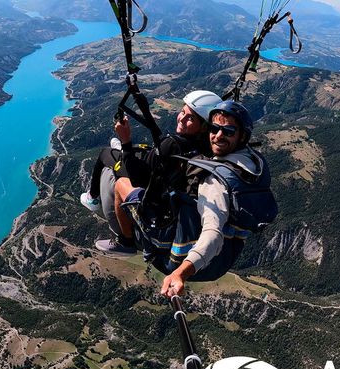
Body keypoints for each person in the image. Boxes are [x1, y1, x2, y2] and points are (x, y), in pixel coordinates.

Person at [113, 100, 275, 297]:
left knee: (121, 183)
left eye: (229, 131)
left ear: (242, 136)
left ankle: (126, 242)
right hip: (222, 262)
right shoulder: (256, 165)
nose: (218, 135)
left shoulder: (215, 181)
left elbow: (213, 234)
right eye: (214, 128)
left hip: (177, 260)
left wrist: (180, 273)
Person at [80, 90, 222, 254]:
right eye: (183, 112)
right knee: (133, 151)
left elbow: (137, 178)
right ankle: (120, 151)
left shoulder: (172, 145)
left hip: (152, 195)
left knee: (106, 154)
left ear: (204, 126)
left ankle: (95, 202)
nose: (182, 119)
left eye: (190, 118)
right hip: (169, 187)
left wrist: (126, 140)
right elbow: (159, 142)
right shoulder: (208, 146)